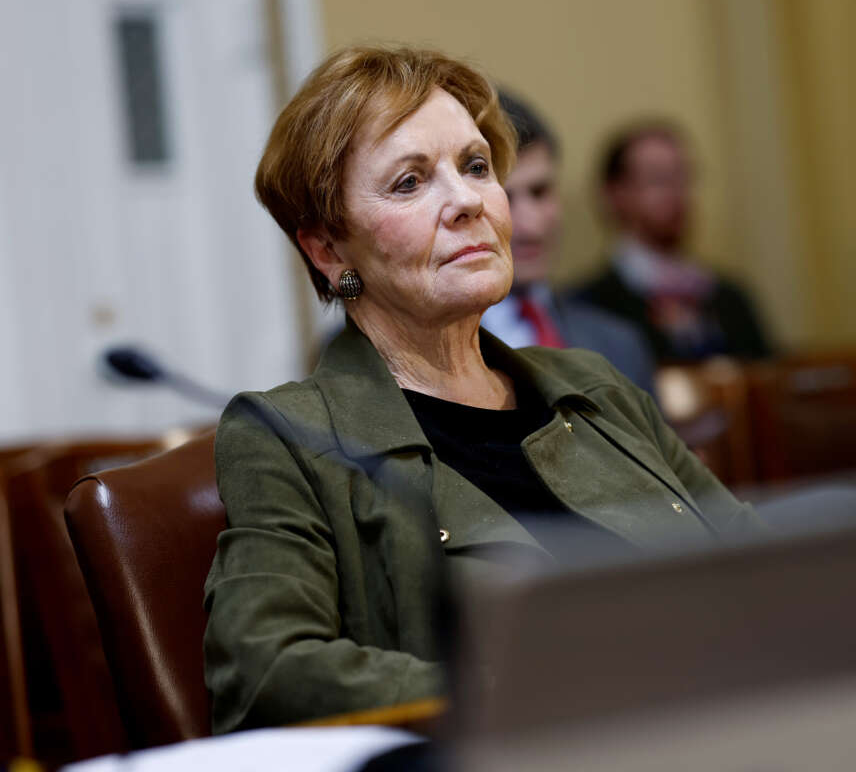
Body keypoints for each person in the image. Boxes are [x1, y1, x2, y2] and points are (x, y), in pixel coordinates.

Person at [203, 46, 764, 733]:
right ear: (328, 249)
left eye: (475, 166)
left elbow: (758, 566)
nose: (468, 201)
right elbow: (266, 670)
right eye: (410, 183)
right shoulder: (288, 437)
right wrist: (526, 688)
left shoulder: (594, 385)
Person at [480, 91, 656, 394]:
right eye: (506, 197)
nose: (530, 223)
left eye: (540, 191)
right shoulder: (433, 356)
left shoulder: (619, 343)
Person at [573, 122, 772, 362]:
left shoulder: (731, 297)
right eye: (659, 179)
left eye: (683, 177)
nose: (677, 193)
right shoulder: (588, 307)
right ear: (616, 194)